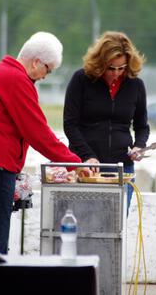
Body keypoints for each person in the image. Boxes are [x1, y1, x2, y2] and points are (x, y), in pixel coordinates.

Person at [0, 31, 91, 254]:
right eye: (48, 70)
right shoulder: (16, 79)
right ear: (37, 62)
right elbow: (38, 133)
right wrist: (75, 163)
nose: (45, 76)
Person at [63, 31, 150, 213]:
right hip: (85, 167)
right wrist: (87, 156)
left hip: (121, 169)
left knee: (116, 228)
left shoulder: (136, 85)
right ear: (100, 62)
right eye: (111, 68)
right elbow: (70, 124)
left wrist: (139, 146)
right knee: (84, 224)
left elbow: (141, 125)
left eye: (122, 68)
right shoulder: (81, 80)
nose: (116, 73)